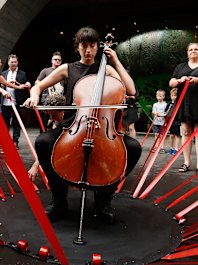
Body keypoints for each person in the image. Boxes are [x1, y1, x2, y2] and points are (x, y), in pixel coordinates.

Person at [24, 27, 142, 224]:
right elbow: (38, 86)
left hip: (102, 130)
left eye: (92, 46)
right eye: (84, 46)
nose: (88, 50)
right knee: (43, 142)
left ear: (98, 47)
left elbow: (130, 89)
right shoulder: (67, 69)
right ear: (77, 47)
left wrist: (115, 60)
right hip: (72, 127)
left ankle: (104, 198)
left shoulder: (107, 69)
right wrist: (34, 96)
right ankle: (59, 198)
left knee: (133, 148)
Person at [169, 42, 198, 175]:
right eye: (190, 49)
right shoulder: (181, 67)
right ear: (187, 52)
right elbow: (171, 82)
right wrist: (180, 81)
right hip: (185, 104)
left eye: (196, 49)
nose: (193, 51)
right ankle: (186, 162)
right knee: (185, 132)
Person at [27, 92, 66, 180]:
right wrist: (35, 165)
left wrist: (35, 166)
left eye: (52, 114)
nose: (51, 117)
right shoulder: (57, 122)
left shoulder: (68, 119)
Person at [1, 54, 30, 148]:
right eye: (12, 62)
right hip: (5, 101)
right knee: (5, 122)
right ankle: (5, 142)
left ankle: (15, 141)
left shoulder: (22, 73)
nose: (13, 63)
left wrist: (27, 84)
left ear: (17, 62)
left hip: (17, 101)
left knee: (16, 122)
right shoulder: (4, 73)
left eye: (15, 62)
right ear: (8, 62)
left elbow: (27, 83)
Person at [35, 51, 64, 131]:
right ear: (52, 60)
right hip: (47, 99)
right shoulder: (46, 71)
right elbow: (37, 82)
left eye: (59, 60)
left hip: (59, 100)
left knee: (58, 122)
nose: (57, 61)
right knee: (44, 121)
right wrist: (46, 85)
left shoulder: (63, 71)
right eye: (55, 59)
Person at [166, 88, 182, 154]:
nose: (174, 97)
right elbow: (166, 113)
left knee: (177, 135)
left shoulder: (180, 104)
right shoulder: (169, 104)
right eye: (172, 95)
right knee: (171, 135)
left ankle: (176, 148)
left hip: (177, 121)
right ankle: (171, 148)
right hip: (170, 122)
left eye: (175, 95)